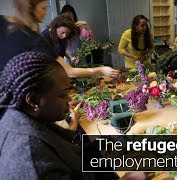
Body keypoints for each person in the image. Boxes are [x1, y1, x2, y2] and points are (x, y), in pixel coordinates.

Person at [0, 51, 116, 179]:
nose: (69, 99)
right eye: (62, 95)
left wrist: (93, 148)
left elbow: (65, 152)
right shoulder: (30, 159)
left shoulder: (26, 117)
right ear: (33, 100)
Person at [0, 0, 119, 77]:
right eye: (43, 8)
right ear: (31, 7)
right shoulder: (39, 40)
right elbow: (70, 71)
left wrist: (71, 57)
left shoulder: (5, 22)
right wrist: (101, 70)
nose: (46, 12)